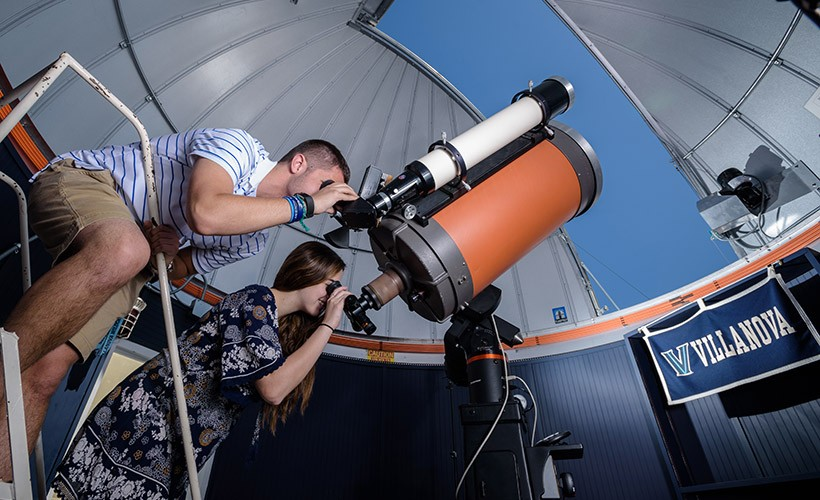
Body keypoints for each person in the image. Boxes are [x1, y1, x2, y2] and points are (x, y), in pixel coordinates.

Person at [0, 128, 358, 479]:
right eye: (326, 187)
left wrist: (170, 255)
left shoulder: (253, 240)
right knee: (127, 249)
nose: (327, 205)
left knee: (44, 374)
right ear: (298, 163)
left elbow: (176, 270)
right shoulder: (239, 146)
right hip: (92, 184)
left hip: (131, 259)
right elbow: (206, 212)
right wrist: (309, 203)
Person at [50, 241, 352, 499]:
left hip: (179, 442)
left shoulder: (273, 326)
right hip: (150, 423)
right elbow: (273, 389)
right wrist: (328, 326)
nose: (332, 296)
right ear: (309, 270)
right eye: (331, 285)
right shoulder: (257, 299)